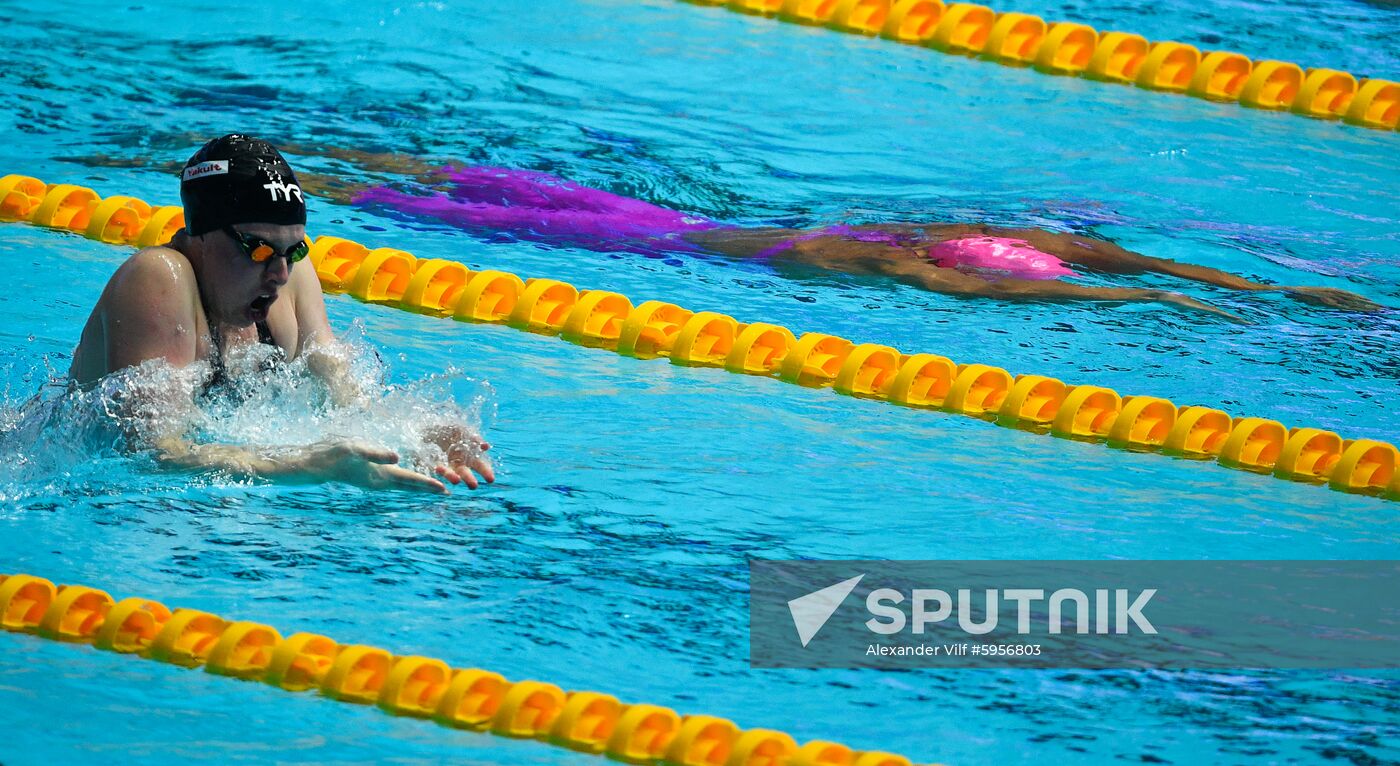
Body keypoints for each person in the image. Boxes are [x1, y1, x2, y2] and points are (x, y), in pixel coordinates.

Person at [293, 149, 1379, 319]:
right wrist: (1180, 300)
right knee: (447, 197)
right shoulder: (924, 265)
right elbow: (1125, 280)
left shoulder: (934, 240)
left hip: (673, 230)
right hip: (663, 242)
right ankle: (326, 180)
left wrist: (1191, 293)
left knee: (466, 186)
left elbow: (1131, 270)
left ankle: (318, 170)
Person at [69, 135, 494, 495]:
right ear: (201, 236)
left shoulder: (290, 279)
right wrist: (305, 467)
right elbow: (152, 453)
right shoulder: (159, 277)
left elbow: (346, 400)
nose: (279, 273)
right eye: (258, 249)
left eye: (294, 251)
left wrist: (412, 437)